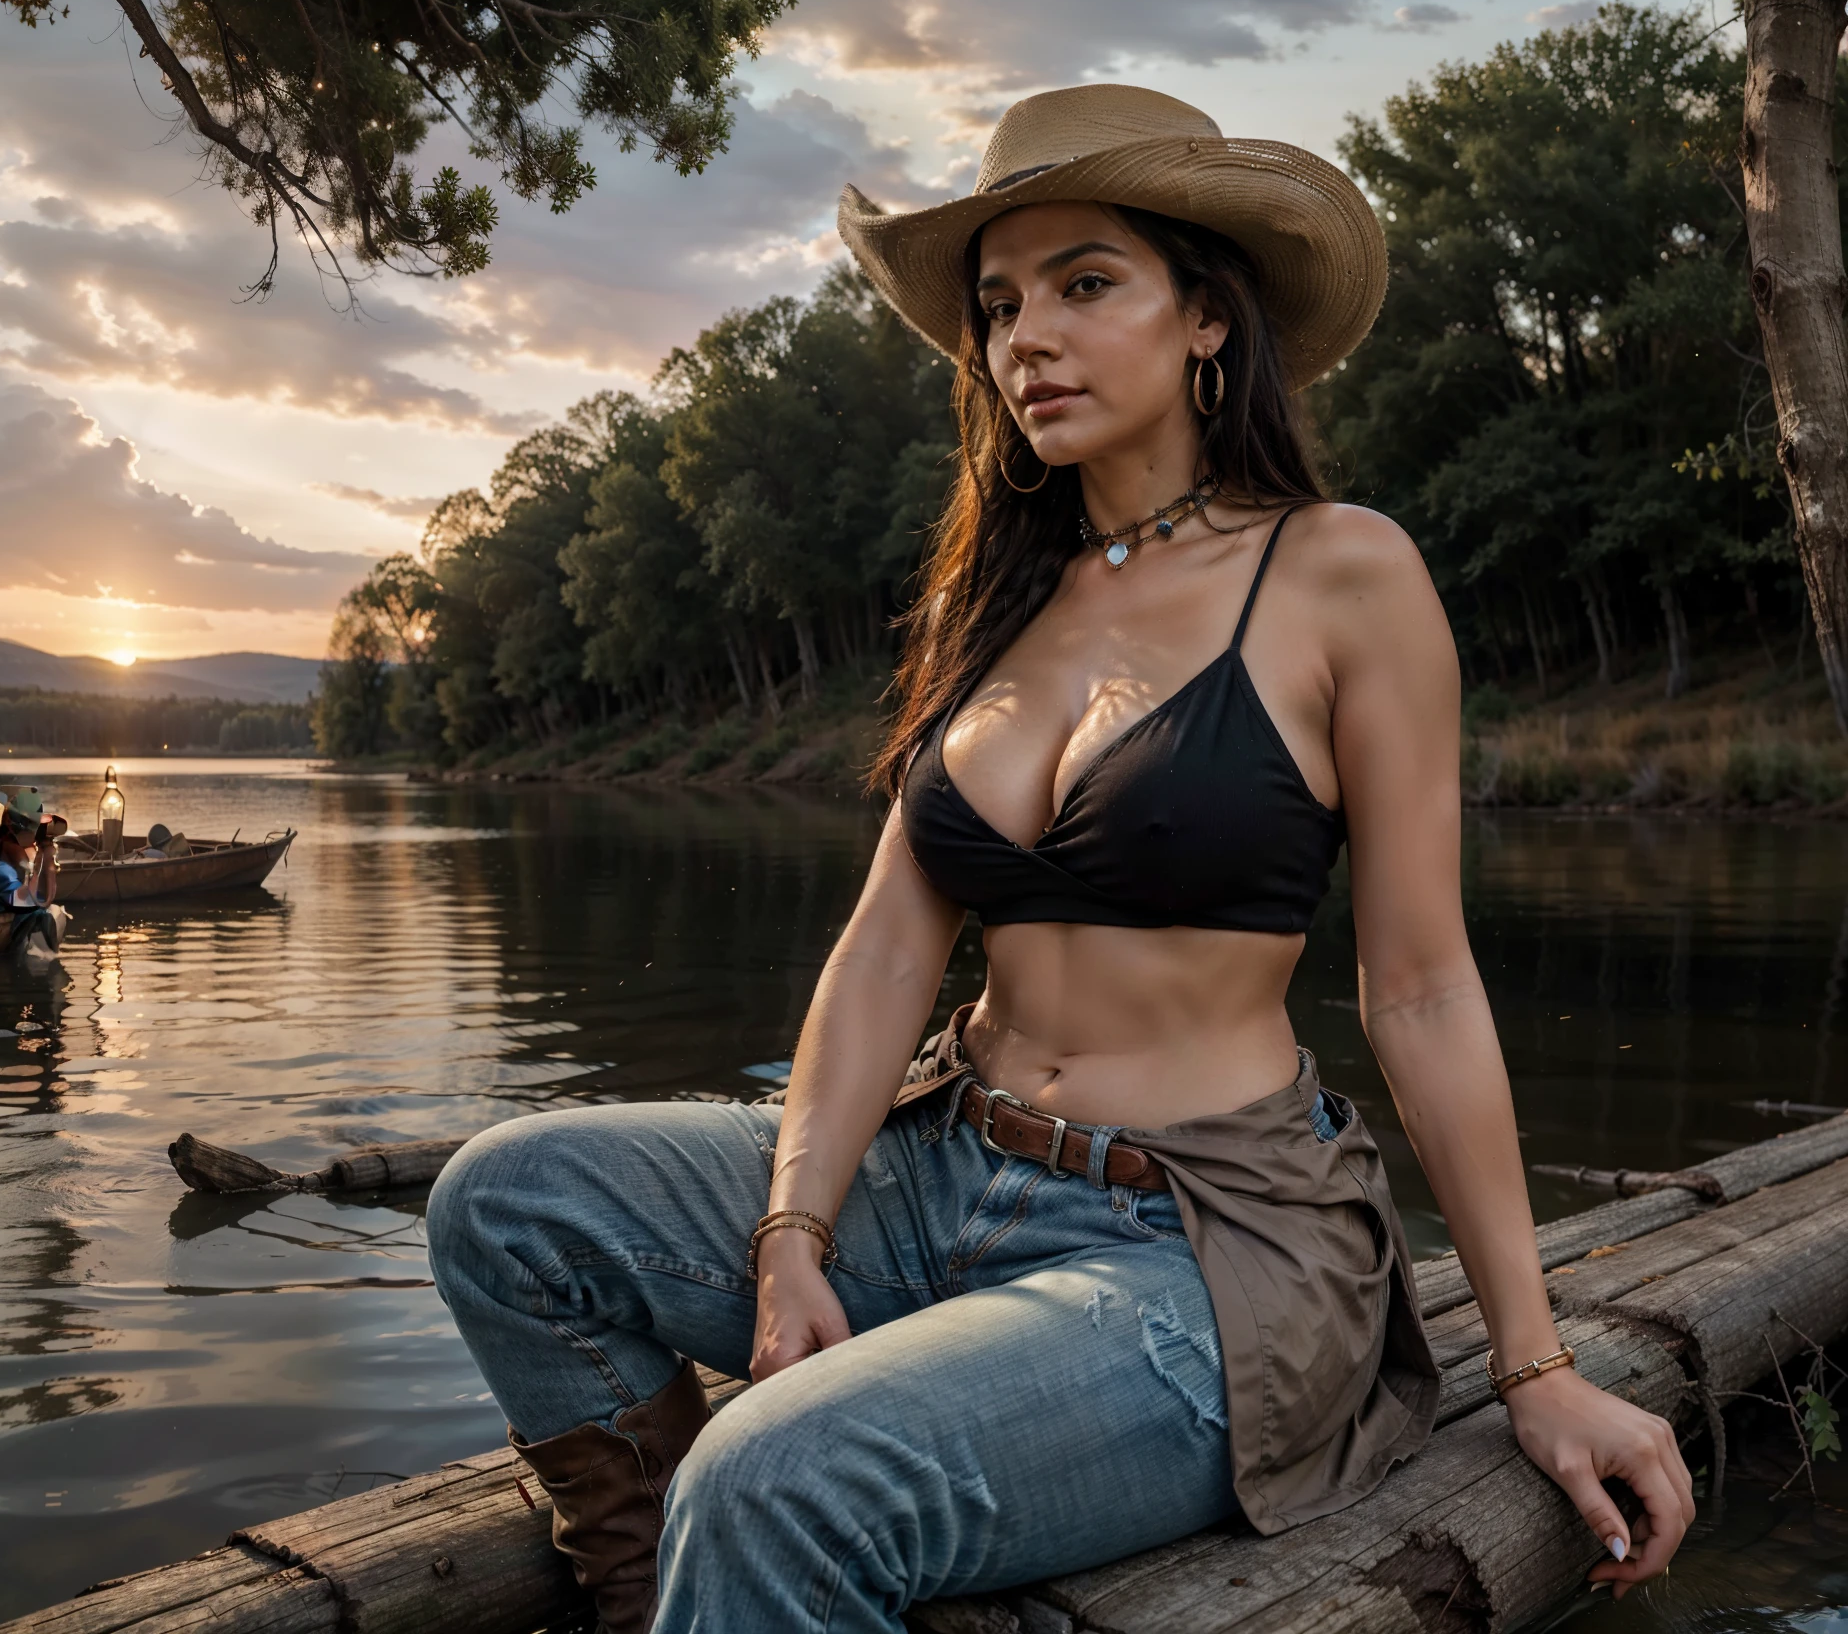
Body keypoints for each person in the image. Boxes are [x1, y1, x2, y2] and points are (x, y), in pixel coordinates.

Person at [426, 85, 1694, 1634]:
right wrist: (791, 1235)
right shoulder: (1000, 600)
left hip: (1201, 1246)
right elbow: (889, 948)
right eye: (1003, 303)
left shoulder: (1341, 572)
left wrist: (1538, 1366)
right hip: (941, 1171)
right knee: (510, 1201)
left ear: (1207, 317)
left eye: (1087, 284)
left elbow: (1420, 988)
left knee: (772, 1478)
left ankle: (738, 1551)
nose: (1028, 335)